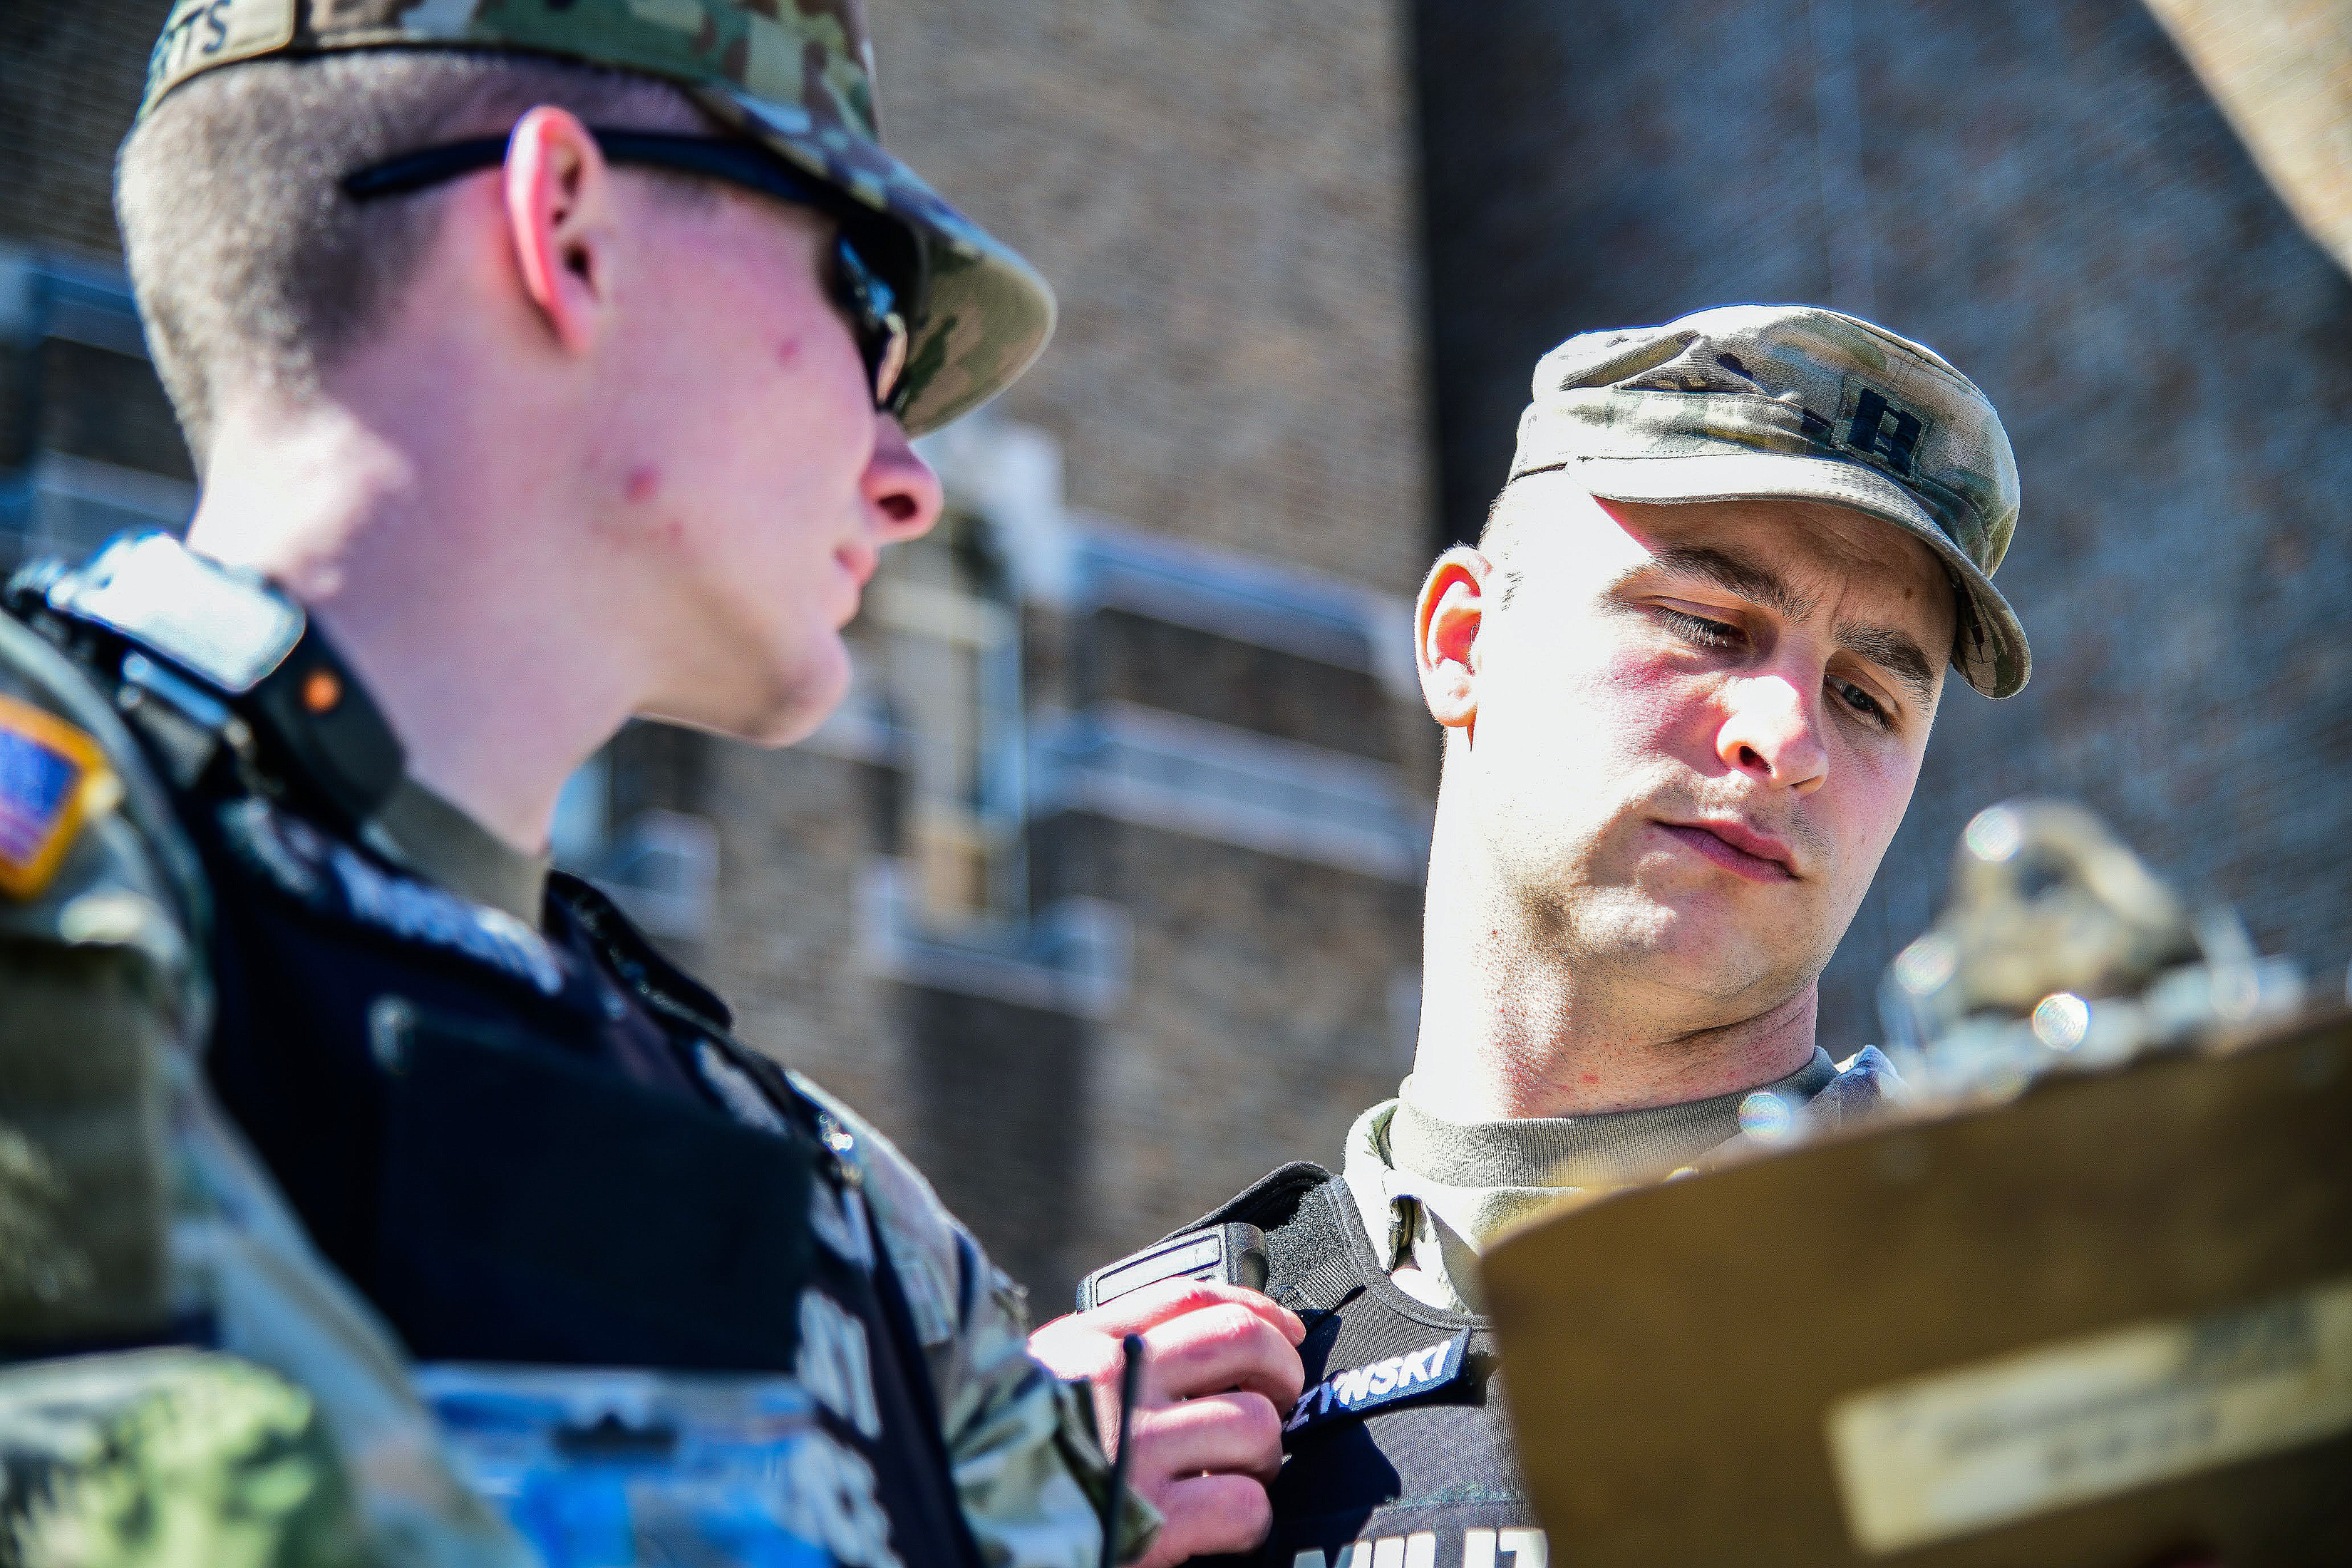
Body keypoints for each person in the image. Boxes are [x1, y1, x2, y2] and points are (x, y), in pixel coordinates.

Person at [0, 2, 1284, 1562]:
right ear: (568, 230)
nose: (907, 471)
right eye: (864, 309)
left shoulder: (836, 1205)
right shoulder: (68, 857)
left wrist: (1024, 1492)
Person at [1040, 303, 2035, 1566]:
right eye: (1706, 625)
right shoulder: (1152, 1404)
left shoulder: (2025, 1309)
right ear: (1464, 642)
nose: (1786, 741)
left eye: (1867, 694)